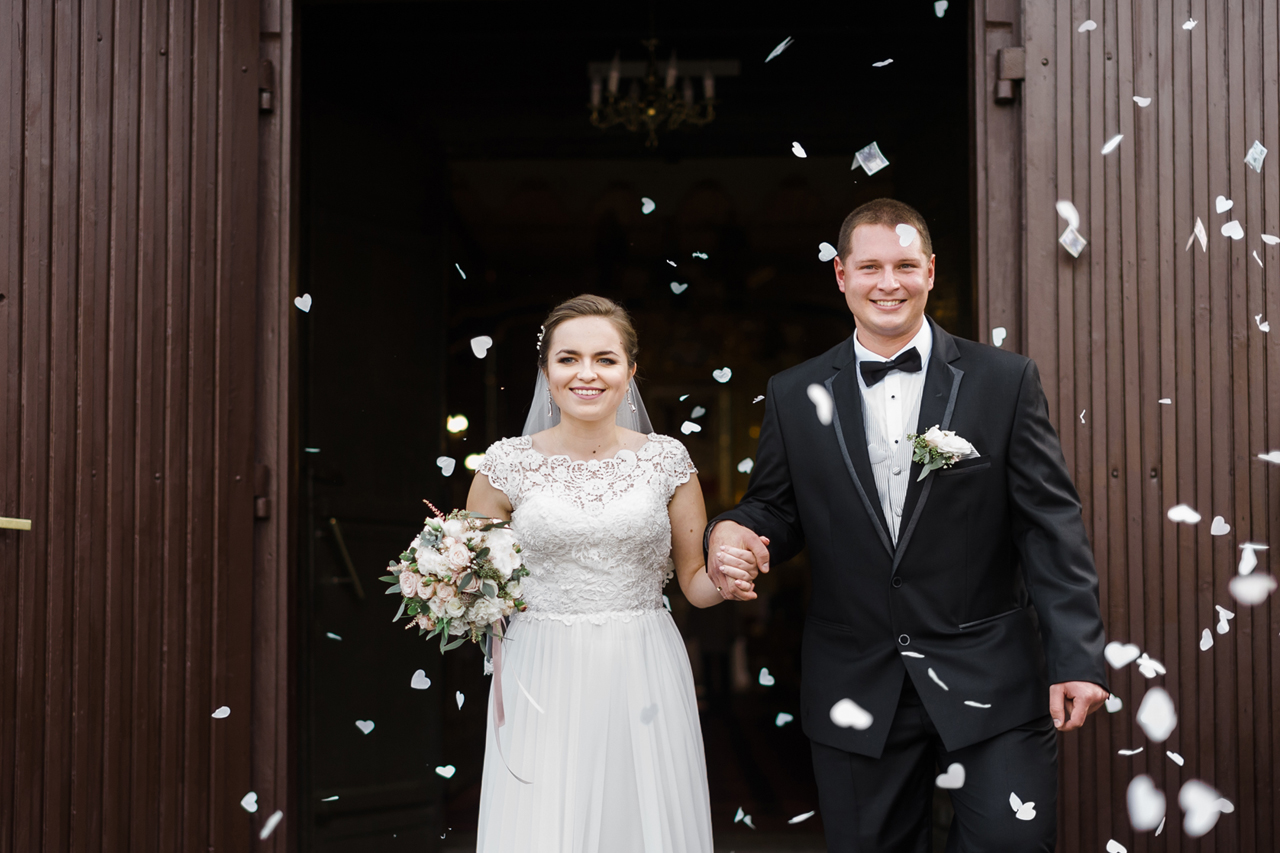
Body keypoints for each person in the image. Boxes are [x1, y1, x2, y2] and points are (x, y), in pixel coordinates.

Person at [706, 199, 1109, 852]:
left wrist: (1077, 657)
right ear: (841, 275)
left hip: (993, 675)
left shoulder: (1005, 381)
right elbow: (774, 508)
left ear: (930, 271)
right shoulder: (792, 391)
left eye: (903, 265)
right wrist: (730, 530)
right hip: (856, 680)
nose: (887, 282)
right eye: (869, 266)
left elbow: (1049, 526)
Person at [467, 294, 759, 852]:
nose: (587, 374)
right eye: (568, 358)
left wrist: (726, 577)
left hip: (642, 657)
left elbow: (693, 582)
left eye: (605, 359)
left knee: (638, 816)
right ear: (546, 371)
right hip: (540, 664)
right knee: (544, 820)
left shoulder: (667, 460)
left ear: (630, 371)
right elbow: (477, 575)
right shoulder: (505, 464)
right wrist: (448, 589)